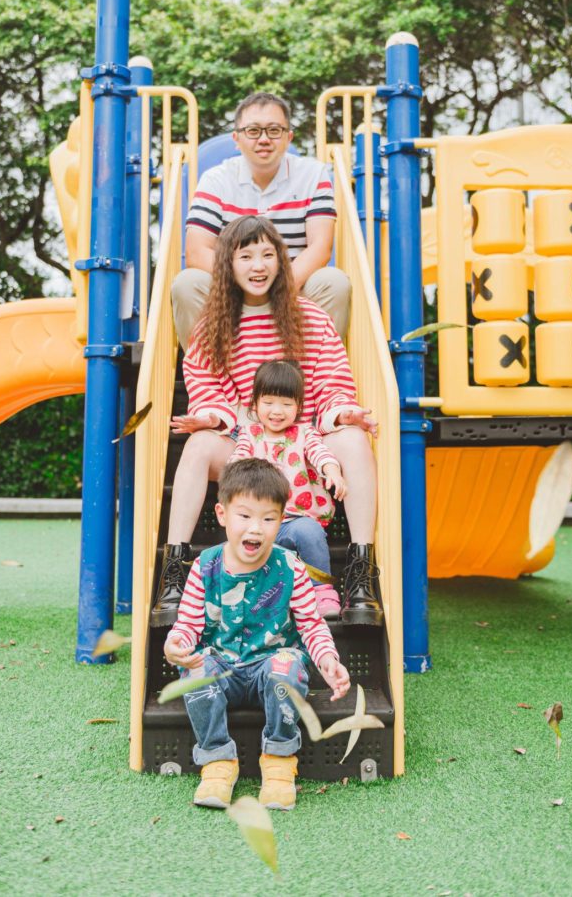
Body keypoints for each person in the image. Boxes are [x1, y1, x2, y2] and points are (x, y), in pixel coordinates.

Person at [153, 214, 381, 628]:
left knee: (353, 439)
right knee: (199, 445)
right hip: (248, 441)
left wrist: (343, 412)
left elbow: (331, 381)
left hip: (303, 440)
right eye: (245, 257)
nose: (257, 266)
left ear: (281, 261)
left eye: (267, 255)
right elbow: (208, 388)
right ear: (229, 264)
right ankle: (175, 572)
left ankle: (361, 573)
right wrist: (211, 417)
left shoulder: (310, 317)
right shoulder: (212, 326)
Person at [164, 458, 351, 811]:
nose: (256, 528)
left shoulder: (290, 567)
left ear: (281, 521)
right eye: (245, 516)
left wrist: (328, 659)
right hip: (222, 666)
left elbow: (311, 624)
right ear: (222, 514)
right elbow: (188, 625)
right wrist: (176, 645)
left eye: (268, 519)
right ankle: (218, 761)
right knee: (196, 667)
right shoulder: (205, 566)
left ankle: (279, 761)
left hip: (271, 664)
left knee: (287, 666)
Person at [170, 91, 351, 346]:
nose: (264, 139)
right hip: (232, 288)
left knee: (334, 282)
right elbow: (196, 252)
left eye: (274, 130)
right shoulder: (216, 179)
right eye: (253, 131)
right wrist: (248, 284)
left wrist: (276, 287)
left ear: (288, 137)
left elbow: (320, 247)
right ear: (237, 138)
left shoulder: (313, 174)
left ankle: (312, 368)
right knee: (187, 283)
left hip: (293, 286)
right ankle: (211, 368)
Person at [229, 359, 345, 619]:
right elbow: (238, 459)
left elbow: (320, 453)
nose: (277, 411)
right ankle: (249, 596)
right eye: (269, 402)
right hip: (259, 521)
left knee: (310, 532)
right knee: (238, 541)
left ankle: (322, 591)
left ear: (299, 406)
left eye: (286, 404)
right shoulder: (249, 434)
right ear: (255, 403)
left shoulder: (305, 433)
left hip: (296, 519)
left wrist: (332, 471)